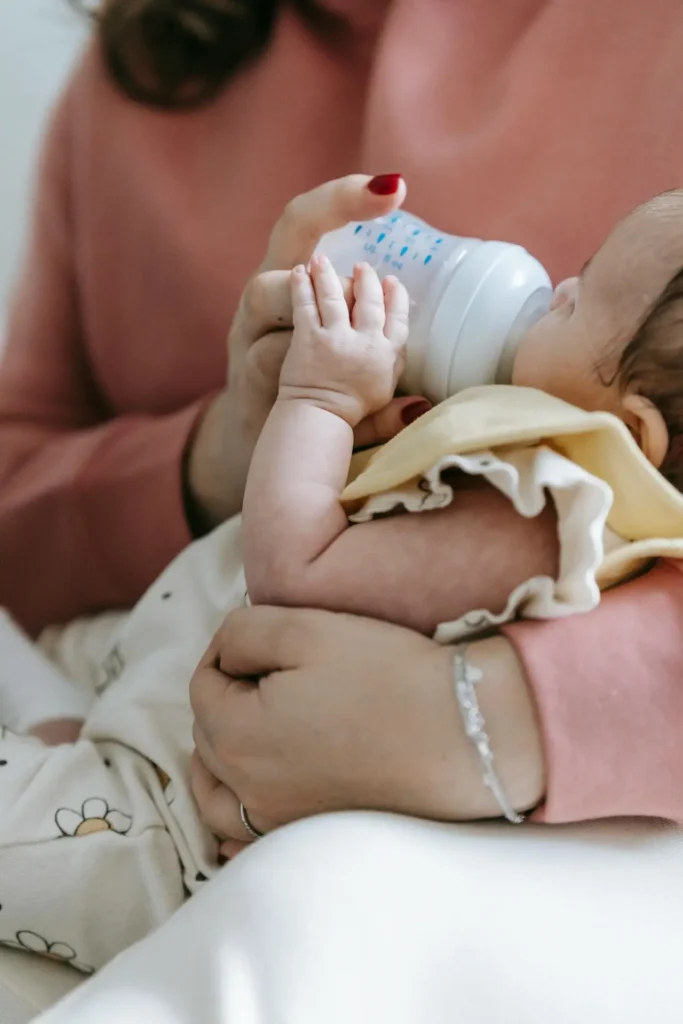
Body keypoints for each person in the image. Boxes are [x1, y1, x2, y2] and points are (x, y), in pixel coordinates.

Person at [1, 0, 683, 1015]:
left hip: (233, 813)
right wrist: (223, 451)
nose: (551, 282)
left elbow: (299, 568)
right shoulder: (149, 65)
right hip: (151, 666)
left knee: (301, 913)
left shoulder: (540, 490)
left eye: (576, 299)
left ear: (629, 437)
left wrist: (500, 718)